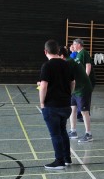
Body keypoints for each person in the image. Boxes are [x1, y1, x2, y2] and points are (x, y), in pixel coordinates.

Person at [39, 39, 75, 170]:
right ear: (58, 51)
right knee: (63, 131)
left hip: (52, 106)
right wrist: (68, 95)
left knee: (55, 134)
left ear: (45, 51)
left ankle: (59, 161)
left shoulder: (47, 66)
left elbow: (43, 86)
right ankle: (67, 158)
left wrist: (42, 102)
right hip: (65, 105)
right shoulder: (67, 64)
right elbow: (73, 82)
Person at [67, 53, 93, 143]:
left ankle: (88, 134)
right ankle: (73, 131)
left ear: (61, 56)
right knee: (72, 109)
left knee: (84, 112)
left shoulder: (68, 62)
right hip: (75, 89)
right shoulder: (69, 61)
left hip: (83, 89)